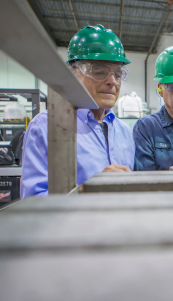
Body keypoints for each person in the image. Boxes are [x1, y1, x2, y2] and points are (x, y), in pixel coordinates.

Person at [21, 25, 134, 198]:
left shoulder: (124, 132)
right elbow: (31, 202)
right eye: (99, 71)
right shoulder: (46, 127)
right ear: (73, 74)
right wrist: (89, 190)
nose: (112, 81)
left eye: (118, 74)